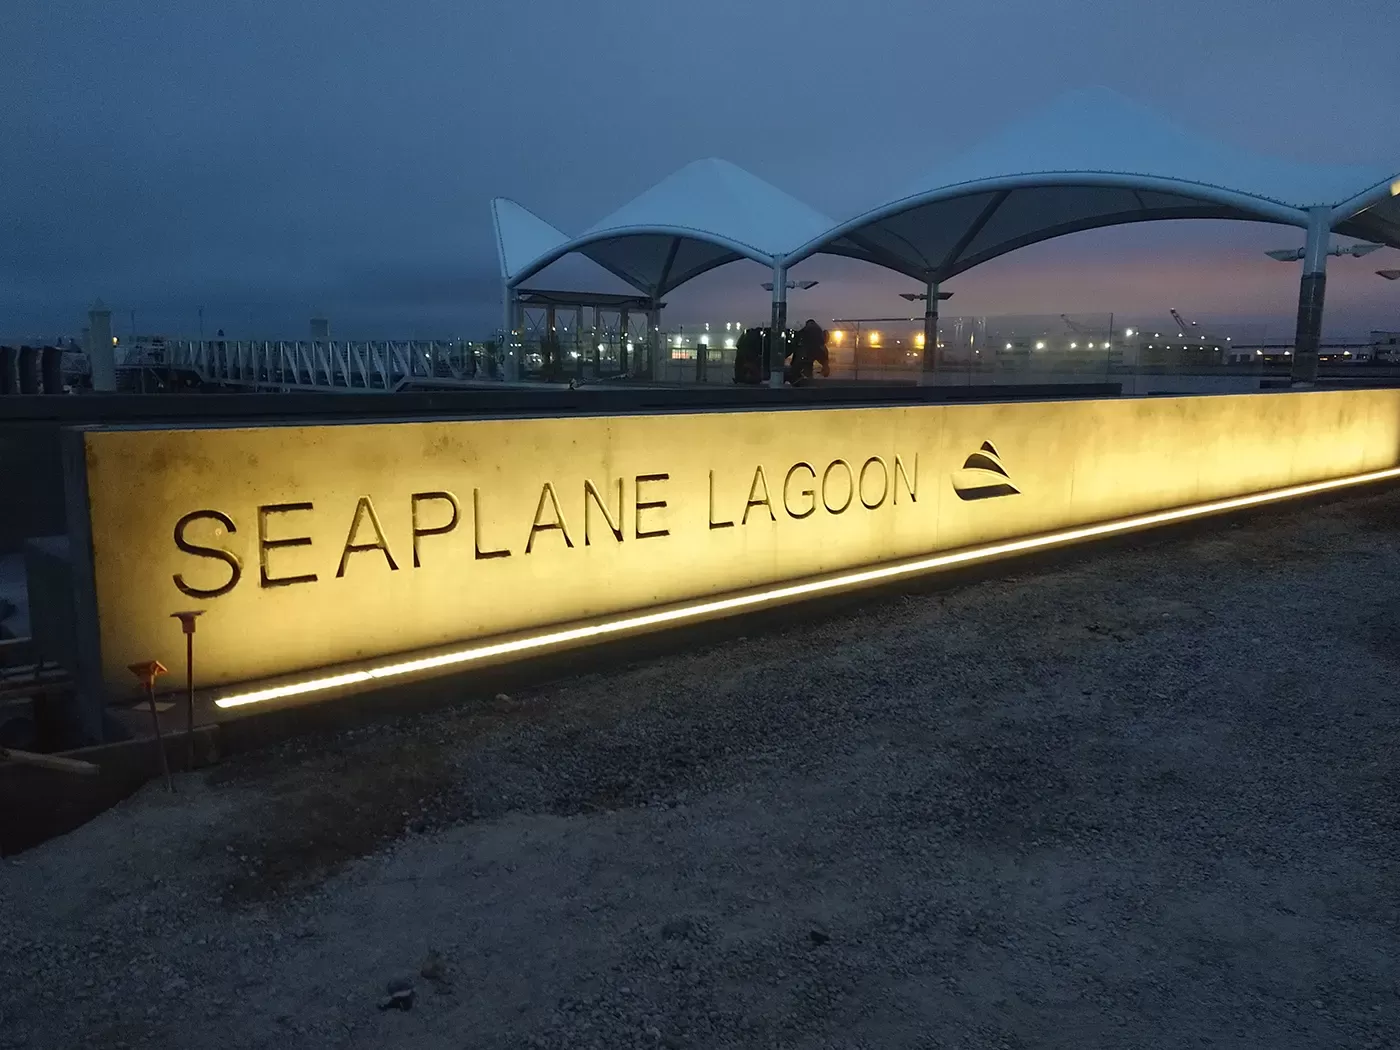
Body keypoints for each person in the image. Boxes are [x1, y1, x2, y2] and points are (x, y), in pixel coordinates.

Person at [787, 319, 830, 385]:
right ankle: (804, 385)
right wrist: (825, 365)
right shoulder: (818, 337)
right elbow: (821, 352)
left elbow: (796, 343)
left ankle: (799, 384)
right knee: (805, 374)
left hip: (802, 355)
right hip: (805, 356)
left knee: (797, 372)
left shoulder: (806, 331)